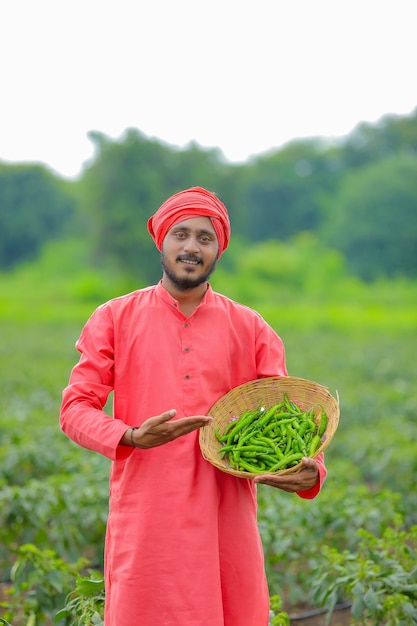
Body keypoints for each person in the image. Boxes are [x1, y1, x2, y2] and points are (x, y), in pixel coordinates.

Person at [60, 186, 327, 626]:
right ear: (161, 241)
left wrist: (311, 469)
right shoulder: (115, 317)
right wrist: (129, 436)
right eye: (180, 234)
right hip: (147, 516)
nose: (191, 247)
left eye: (205, 237)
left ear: (218, 249)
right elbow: (75, 408)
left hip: (226, 516)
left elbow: (289, 418)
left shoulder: (251, 326)